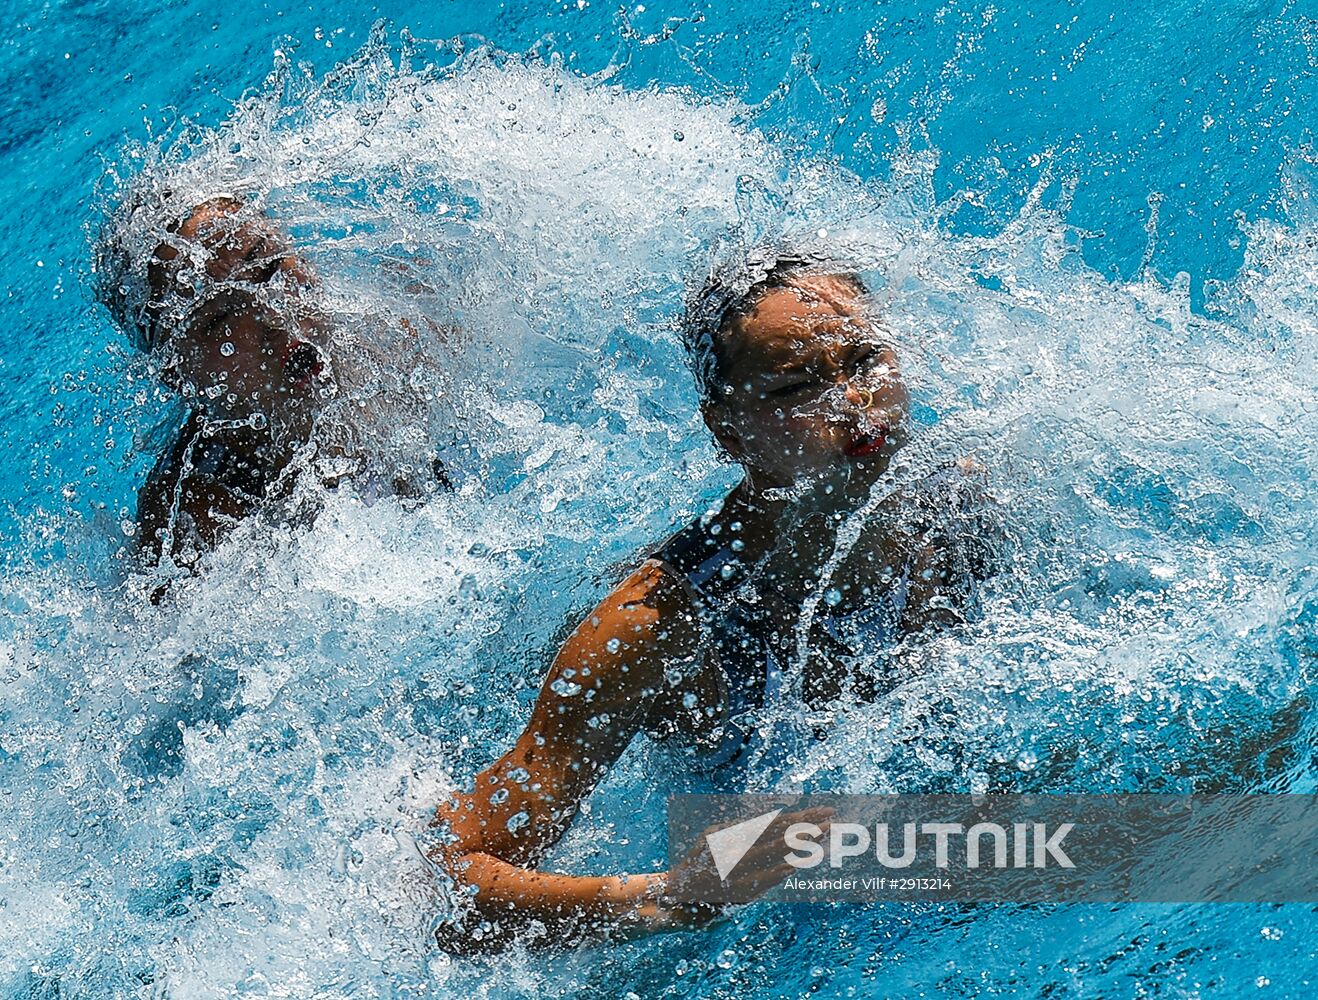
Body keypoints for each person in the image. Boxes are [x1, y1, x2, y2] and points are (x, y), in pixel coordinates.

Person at [428, 247, 995, 952]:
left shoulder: (965, 512)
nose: (854, 401)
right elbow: (444, 886)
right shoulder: (658, 626)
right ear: (727, 431)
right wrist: (668, 897)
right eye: (795, 387)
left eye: (864, 361)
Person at [101, 195, 451, 576]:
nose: (272, 316)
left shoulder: (408, 343)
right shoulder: (194, 518)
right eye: (223, 319)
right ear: (177, 372)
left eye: (268, 267)